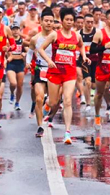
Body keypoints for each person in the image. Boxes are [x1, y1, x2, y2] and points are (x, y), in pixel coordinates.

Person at [39, 8, 87, 144]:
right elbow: (41, 48)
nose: (70, 22)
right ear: (62, 20)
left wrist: (84, 56)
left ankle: (67, 132)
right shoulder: (54, 35)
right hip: (55, 72)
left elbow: (81, 46)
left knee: (67, 101)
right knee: (54, 102)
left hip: (69, 73)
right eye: (67, 20)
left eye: (72, 20)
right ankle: (49, 111)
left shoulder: (77, 36)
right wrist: (49, 61)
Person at [27, 8, 54, 137]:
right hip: (40, 69)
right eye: (46, 21)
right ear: (41, 22)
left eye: (51, 21)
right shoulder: (35, 38)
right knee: (39, 98)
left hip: (54, 71)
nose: (49, 23)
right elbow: (30, 51)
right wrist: (27, 62)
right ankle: (40, 126)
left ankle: (48, 109)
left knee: (53, 101)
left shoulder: (56, 37)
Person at [6, 23, 26, 111]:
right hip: (11, 64)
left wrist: (24, 54)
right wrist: (20, 56)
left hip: (20, 64)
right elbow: (10, 57)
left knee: (20, 85)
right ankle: (11, 93)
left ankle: (17, 102)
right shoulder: (8, 42)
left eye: (17, 29)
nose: (15, 31)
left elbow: (28, 51)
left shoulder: (23, 41)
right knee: (13, 83)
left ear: (19, 30)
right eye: (13, 29)